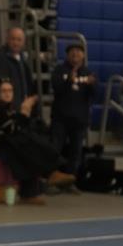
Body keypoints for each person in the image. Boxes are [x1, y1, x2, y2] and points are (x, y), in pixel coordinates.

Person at [0, 79, 75, 203]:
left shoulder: (8, 109)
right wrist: (24, 112)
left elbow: (18, 128)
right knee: (24, 148)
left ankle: (38, 184)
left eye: (10, 91)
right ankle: (44, 178)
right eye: (4, 91)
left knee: (27, 146)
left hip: (2, 144)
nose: (7, 94)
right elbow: (11, 130)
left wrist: (24, 114)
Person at [50, 44, 95, 181]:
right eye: (72, 51)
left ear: (83, 55)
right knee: (54, 150)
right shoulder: (59, 70)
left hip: (79, 120)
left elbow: (94, 95)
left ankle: (70, 181)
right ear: (67, 54)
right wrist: (69, 80)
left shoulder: (88, 72)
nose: (75, 54)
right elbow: (57, 89)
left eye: (79, 51)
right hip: (60, 119)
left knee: (76, 153)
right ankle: (51, 178)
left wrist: (92, 85)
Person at [0, 27, 36, 111]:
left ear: (24, 42)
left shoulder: (23, 59)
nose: (16, 43)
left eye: (19, 40)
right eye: (13, 39)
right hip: (8, 109)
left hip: (23, 108)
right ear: (7, 39)